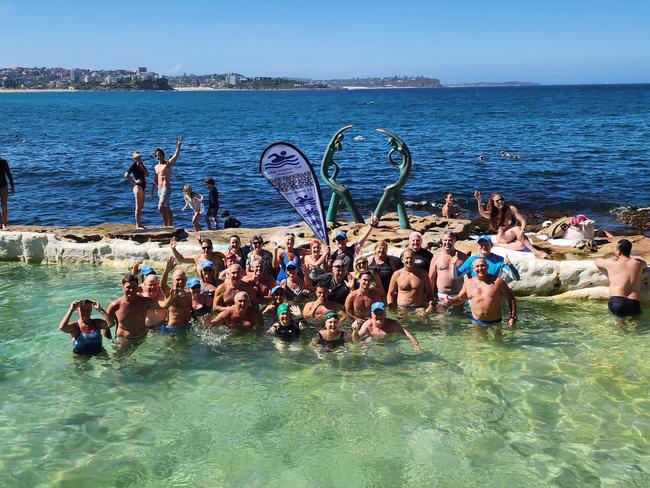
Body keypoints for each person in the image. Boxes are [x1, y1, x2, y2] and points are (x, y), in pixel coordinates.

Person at [442, 258, 517, 340]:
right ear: (473, 269)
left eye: (482, 265)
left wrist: (513, 317)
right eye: (477, 266)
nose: (480, 268)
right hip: (478, 322)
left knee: (498, 345)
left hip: (496, 322)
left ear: (487, 267)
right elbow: (460, 298)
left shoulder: (498, 282)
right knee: (478, 347)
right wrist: (450, 300)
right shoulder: (468, 283)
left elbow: (511, 299)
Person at [474, 190, 548, 259]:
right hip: (502, 237)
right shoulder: (493, 213)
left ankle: (495, 244)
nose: (500, 201)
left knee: (521, 246)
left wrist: (522, 231)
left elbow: (522, 220)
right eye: (497, 201)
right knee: (517, 229)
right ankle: (535, 252)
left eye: (501, 199)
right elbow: (482, 213)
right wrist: (479, 200)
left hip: (514, 235)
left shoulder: (511, 209)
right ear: (493, 203)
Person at [595, 239, 646, 318]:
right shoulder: (638, 264)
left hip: (617, 300)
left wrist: (611, 258)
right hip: (634, 302)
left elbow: (597, 261)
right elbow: (644, 263)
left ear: (618, 251)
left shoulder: (611, 263)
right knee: (635, 326)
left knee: (619, 326)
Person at [107, 274, 161, 344]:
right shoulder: (115, 305)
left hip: (143, 337)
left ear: (137, 287)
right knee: (120, 355)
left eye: (134, 287)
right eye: (128, 287)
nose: (131, 289)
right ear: (123, 287)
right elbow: (106, 325)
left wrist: (172, 297)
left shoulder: (145, 301)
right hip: (124, 340)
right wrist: (110, 340)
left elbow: (164, 305)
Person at [352, 302, 423, 352]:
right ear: (372, 315)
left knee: (394, 354)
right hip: (373, 342)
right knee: (363, 350)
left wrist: (416, 345)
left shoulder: (392, 324)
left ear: (385, 314)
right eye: (376, 313)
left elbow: (408, 335)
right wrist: (355, 330)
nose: (379, 316)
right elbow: (356, 339)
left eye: (381, 313)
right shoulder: (367, 325)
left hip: (389, 342)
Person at [387, 249, 435, 313]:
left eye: (411, 258)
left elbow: (429, 293)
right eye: (407, 258)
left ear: (414, 259)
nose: (409, 260)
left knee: (425, 321)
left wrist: (430, 305)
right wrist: (390, 305)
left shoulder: (423, 274)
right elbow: (390, 293)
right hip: (402, 308)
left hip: (418, 308)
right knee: (402, 321)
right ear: (402, 259)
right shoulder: (397, 274)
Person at [453, 236, 520, 280]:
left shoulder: (499, 260)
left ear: (491, 245)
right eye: (481, 244)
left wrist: (510, 265)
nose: (484, 247)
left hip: (492, 295)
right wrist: (454, 265)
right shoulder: (471, 259)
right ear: (477, 246)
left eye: (486, 244)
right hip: (476, 296)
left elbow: (516, 278)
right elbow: (456, 276)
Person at [151, 136, 183, 227]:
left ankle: (170, 223)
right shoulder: (156, 167)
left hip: (166, 187)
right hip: (159, 189)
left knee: (160, 207)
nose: (158, 157)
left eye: (160, 155)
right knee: (165, 207)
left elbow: (175, 156)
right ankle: (167, 225)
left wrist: (179, 145)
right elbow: (155, 180)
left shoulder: (167, 164)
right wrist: (152, 191)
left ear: (163, 155)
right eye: (157, 155)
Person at [429, 231, 468, 304]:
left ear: (454, 241)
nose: (447, 242)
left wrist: (464, 294)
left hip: (458, 296)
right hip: (441, 296)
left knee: (458, 315)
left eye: (450, 240)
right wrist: (431, 296)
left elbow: (470, 278)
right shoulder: (436, 258)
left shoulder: (463, 257)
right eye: (445, 240)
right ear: (442, 240)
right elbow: (431, 278)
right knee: (441, 315)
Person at [159, 258, 194, 335]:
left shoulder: (188, 294)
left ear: (186, 279)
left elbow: (191, 311)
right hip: (172, 329)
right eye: (178, 279)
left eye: (182, 279)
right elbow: (162, 285)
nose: (180, 282)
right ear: (173, 280)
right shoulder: (170, 293)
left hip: (186, 327)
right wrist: (167, 270)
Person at [124, 151, 149, 229]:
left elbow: (147, 174)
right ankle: (137, 225)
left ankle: (140, 223)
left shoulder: (141, 164)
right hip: (138, 187)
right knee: (138, 207)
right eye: (137, 157)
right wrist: (134, 181)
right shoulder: (133, 165)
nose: (139, 158)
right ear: (134, 158)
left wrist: (142, 168)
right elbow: (126, 175)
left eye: (140, 156)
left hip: (143, 186)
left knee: (141, 206)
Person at [0, 156, 15, 230]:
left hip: (3, 186)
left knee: (4, 205)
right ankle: (1, 224)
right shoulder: (3, 162)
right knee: (4, 206)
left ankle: (4, 224)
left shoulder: (3, 162)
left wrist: (12, 186)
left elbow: (9, 174)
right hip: (3, 186)